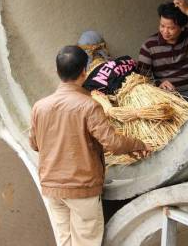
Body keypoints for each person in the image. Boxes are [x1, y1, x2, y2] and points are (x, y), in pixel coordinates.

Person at [29, 45, 151, 246]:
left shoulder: (40, 107)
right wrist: (138, 143)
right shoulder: (88, 105)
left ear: (57, 71)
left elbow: (34, 144)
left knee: (65, 242)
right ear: (84, 71)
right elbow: (112, 143)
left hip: (52, 188)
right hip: (81, 188)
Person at [138, 0, 188, 103]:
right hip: (169, 98)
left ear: (182, 27)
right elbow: (142, 78)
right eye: (162, 26)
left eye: (171, 28)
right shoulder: (149, 46)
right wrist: (158, 84)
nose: (165, 31)